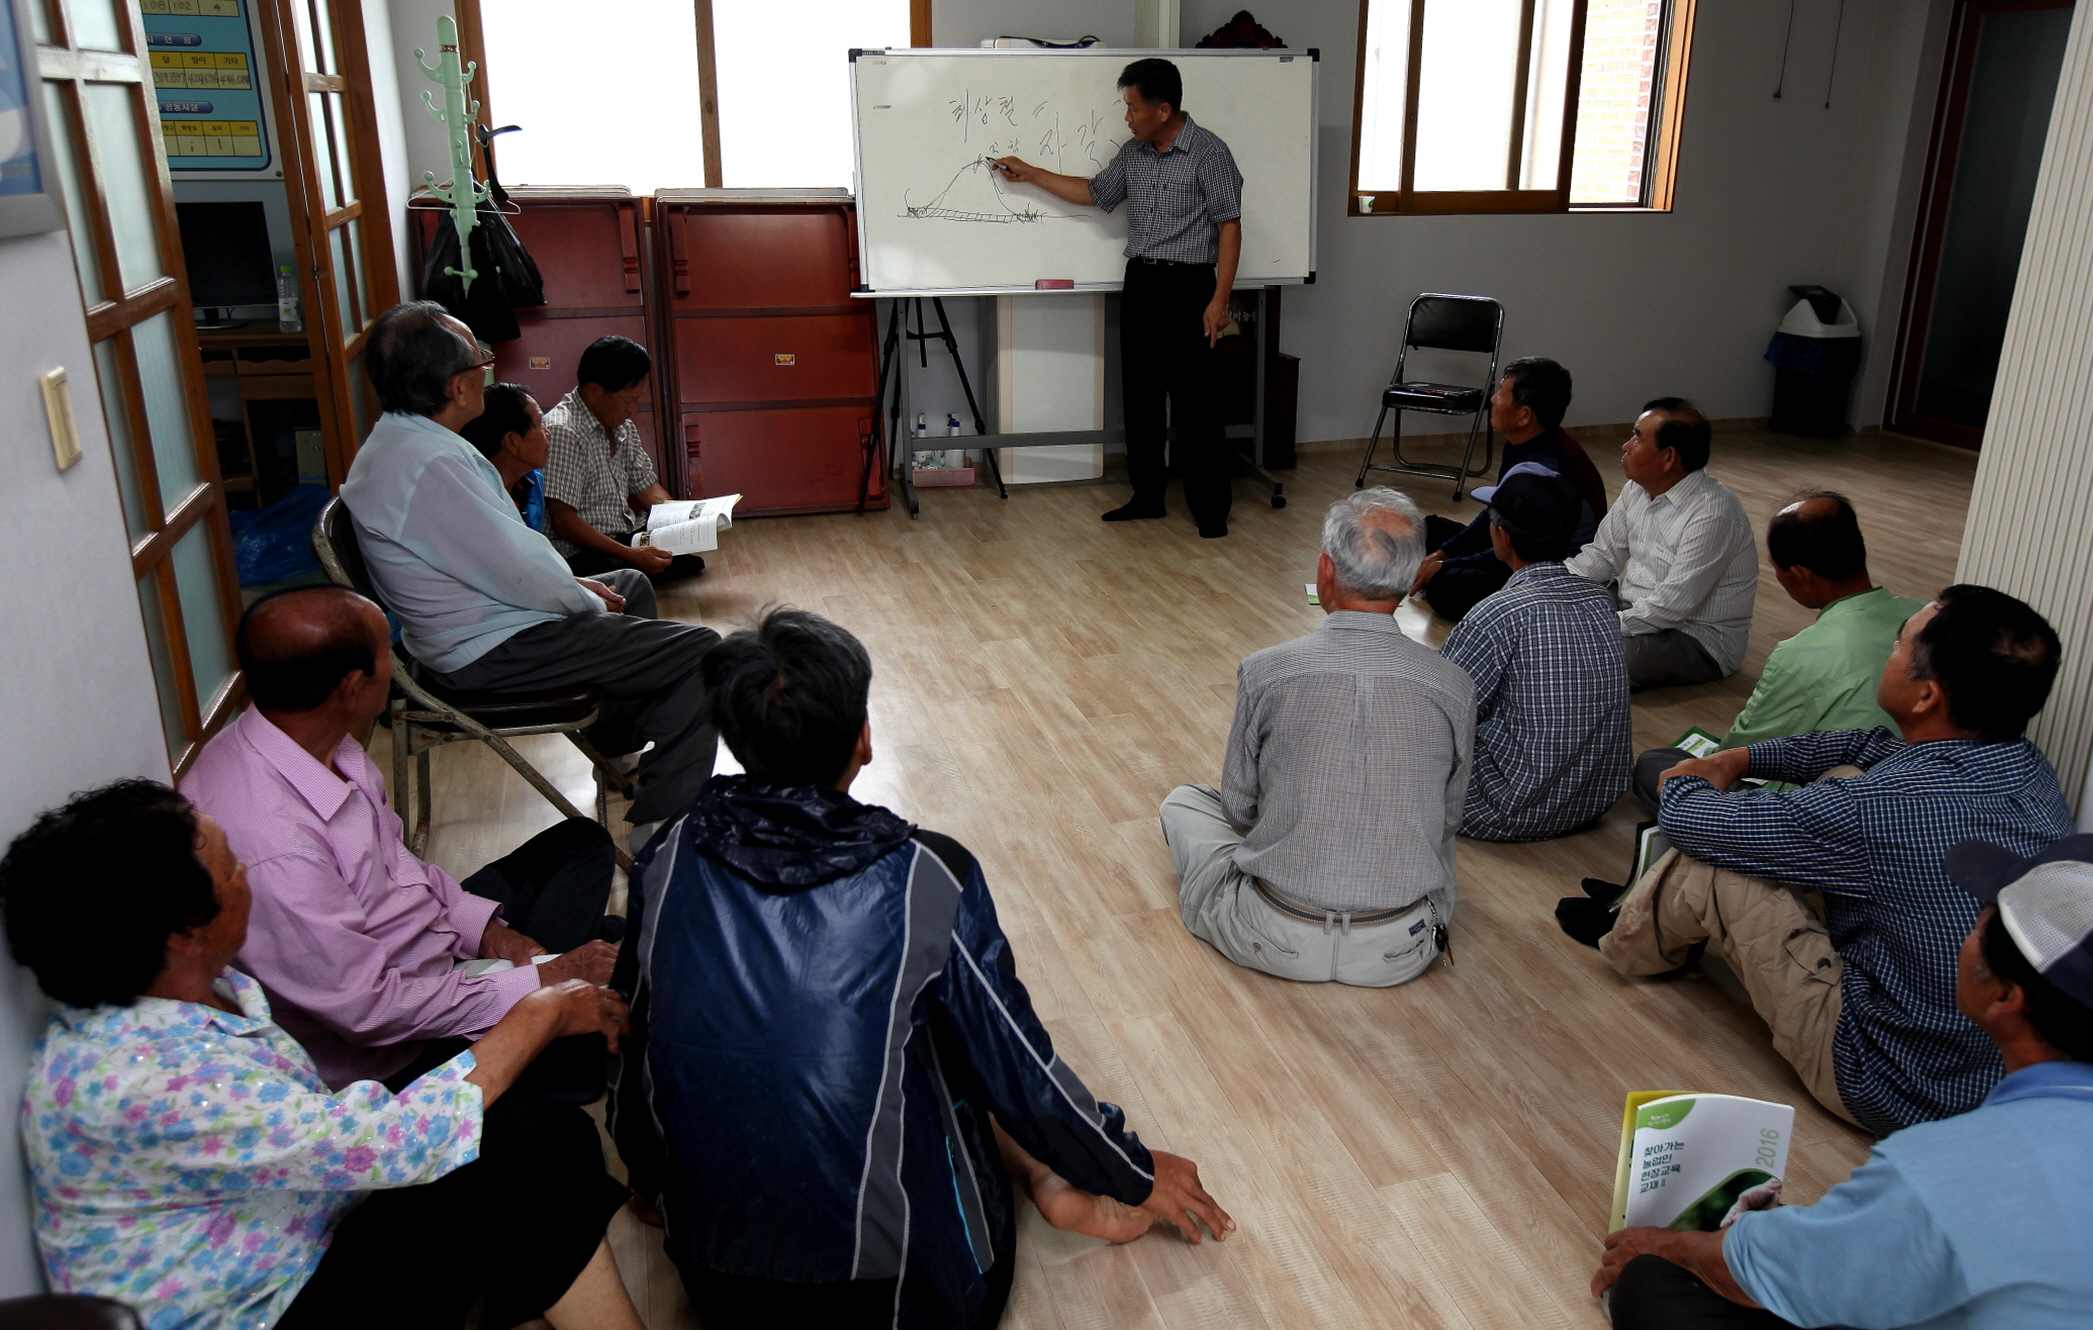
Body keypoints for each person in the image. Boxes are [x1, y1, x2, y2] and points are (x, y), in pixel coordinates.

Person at [609, 607, 1233, 1330]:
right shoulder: (923, 876)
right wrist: (1132, 1170)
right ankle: (1050, 1179)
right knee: (943, 1025)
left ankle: (1048, 1176)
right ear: (864, 739)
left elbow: (632, 1035)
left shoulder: (669, 856)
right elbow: (1021, 1069)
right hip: (904, 1298)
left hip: (716, 1287)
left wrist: (647, 1179)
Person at [2, 780, 642, 1330]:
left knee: (526, 1137)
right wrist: (541, 1009)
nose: (248, 873)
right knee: (523, 1146)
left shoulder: (198, 995)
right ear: (183, 936)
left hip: (306, 1225)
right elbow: (390, 1142)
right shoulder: (138, 1079)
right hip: (265, 1307)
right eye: (231, 869)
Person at [1596, 834, 2093, 1330]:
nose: (1966, 933)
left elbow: (1759, 1276)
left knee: (1652, 1286)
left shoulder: (1946, 1167)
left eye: (1982, 921)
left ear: (2005, 996)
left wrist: (1673, 1246)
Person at [1558, 586, 2075, 1132]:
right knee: (1843, 776)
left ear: (1927, 697)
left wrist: (1690, 781)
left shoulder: (1883, 810)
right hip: (1986, 1076)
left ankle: (1628, 938)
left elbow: (1698, 825)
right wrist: (1744, 757)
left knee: (1712, 861)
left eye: (1898, 647)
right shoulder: (2026, 771)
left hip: (1887, 1082)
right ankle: (1650, 906)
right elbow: (1865, 748)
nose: (1889, 654)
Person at [179, 585, 621, 1089]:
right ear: (350, 687)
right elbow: (371, 1011)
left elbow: (399, 866)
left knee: (583, 843)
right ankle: (566, 1014)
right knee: (584, 1064)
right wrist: (541, 982)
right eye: (387, 650)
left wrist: (490, 933)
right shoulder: (273, 848)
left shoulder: (319, 742)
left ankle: (576, 978)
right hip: (400, 1037)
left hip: (430, 949)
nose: (396, 662)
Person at [340, 301, 720, 847]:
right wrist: (582, 600)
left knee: (628, 585)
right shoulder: (433, 464)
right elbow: (518, 573)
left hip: (484, 627)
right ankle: (662, 825)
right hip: (484, 651)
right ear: (457, 387)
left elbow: (510, 557)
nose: (487, 371)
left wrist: (577, 587)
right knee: (703, 649)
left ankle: (614, 743)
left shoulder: (407, 442)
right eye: (481, 362)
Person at [1160, 487, 1475, 985]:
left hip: (1272, 932)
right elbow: (1450, 818)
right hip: (1399, 948)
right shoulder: (1454, 685)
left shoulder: (1266, 670)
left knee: (1184, 802)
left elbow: (1240, 811)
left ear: (1325, 570)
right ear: (1414, 576)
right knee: (1430, 821)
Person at [993, 57, 1243, 537]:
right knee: (1142, 398)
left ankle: (1211, 510)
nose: (1126, 117)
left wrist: (1219, 299)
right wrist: (1031, 172)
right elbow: (1094, 192)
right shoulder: (1135, 153)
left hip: (1191, 286)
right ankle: (1148, 497)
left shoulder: (1209, 153)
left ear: (1163, 110)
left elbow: (1228, 227)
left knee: (1195, 406)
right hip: (1143, 283)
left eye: (1132, 108)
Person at [1630, 492, 1924, 814]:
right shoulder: (1924, 619)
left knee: (1658, 764)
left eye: (1775, 568)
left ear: (1800, 574)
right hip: (1912, 781)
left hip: (1827, 805)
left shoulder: (1802, 655)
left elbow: (1740, 749)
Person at [1438, 471, 1630, 841]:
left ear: (1502, 537)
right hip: (1591, 800)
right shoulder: (1600, 601)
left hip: (1506, 808)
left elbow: (1439, 711)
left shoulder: (1498, 612)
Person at [1565, 399, 1757, 690]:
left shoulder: (1712, 513)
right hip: (1635, 607)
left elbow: (1671, 606)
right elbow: (1603, 556)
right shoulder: (1637, 488)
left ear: (1668, 457)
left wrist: (1596, 629)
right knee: (1555, 610)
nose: (1626, 446)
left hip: (1693, 637)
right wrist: (1547, 587)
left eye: (1637, 438)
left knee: (1591, 657)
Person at [1411, 356, 1611, 621]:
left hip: (1546, 565)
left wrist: (1448, 565)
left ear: (1524, 415)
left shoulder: (1546, 469)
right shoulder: (1522, 441)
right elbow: (1496, 514)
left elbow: (1521, 549)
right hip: (1515, 542)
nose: (1493, 399)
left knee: (1445, 588)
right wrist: (1443, 553)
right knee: (1430, 528)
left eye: (1502, 393)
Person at [543, 334, 705, 582]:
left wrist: (681, 521)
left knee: (682, 557)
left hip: (624, 532)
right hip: (582, 548)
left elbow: (646, 486)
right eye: (630, 399)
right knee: (623, 568)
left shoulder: (622, 427)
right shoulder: (563, 431)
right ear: (595, 391)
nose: (633, 408)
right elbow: (562, 520)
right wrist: (630, 554)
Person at [462, 380, 551, 531]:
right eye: (539, 424)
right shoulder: (472, 497)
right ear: (512, 442)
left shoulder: (532, 480)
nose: (548, 433)